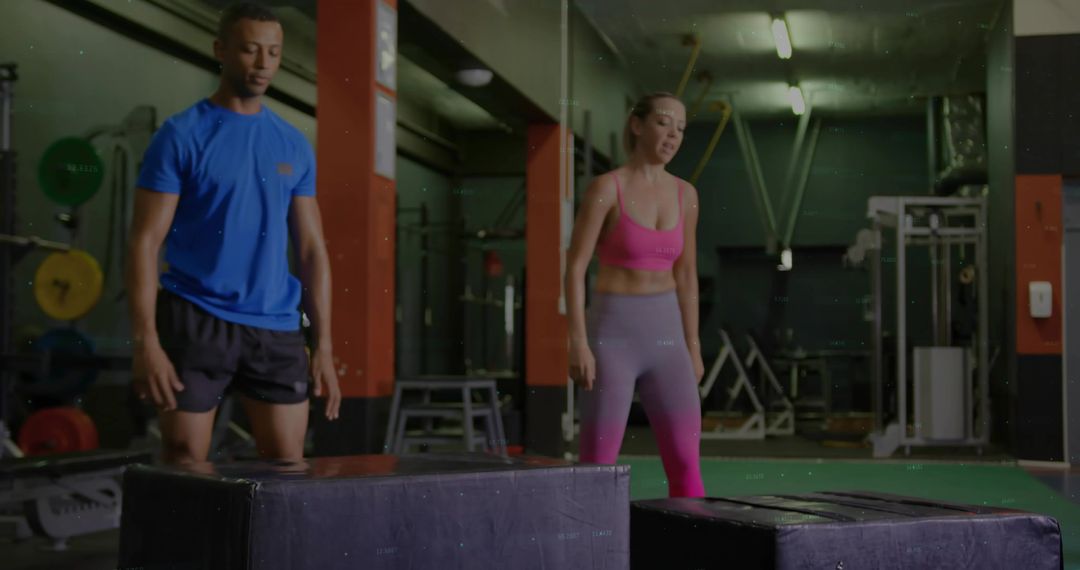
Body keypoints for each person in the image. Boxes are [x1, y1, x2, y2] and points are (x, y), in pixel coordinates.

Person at [127, 2, 340, 465]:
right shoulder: (181, 135)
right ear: (221, 49)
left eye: (274, 53)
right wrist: (147, 341)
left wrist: (322, 344)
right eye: (250, 50)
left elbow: (310, 249)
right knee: (184, 457)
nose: (264, 64)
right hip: (195, 316)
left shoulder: (292, 144)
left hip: (276, 325)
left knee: (287, 462)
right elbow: (145, 241)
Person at [565, 92, 705, 497]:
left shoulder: (687, 195)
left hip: (668, 337)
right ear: (637, 124)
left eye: (680, 128)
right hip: (613, 336)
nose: (673, 135)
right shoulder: (606, 189)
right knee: (597, 462)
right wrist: (578, 343)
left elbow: (687, 273)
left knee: (685, 461)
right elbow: (575, 268)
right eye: (664, 122)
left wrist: (693, 347)